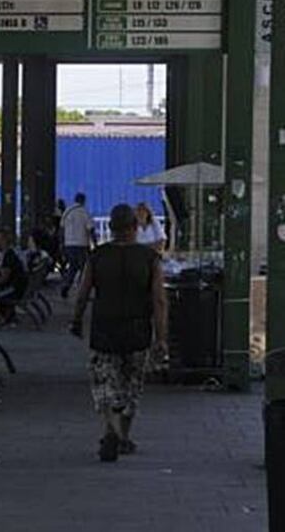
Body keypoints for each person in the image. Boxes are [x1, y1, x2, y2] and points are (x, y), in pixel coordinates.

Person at [70, 204, 168, 463]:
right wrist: (161, 338)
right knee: (131, 385)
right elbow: (159, 300)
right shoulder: (150, 258)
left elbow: (82, 294)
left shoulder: (98, 257)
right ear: (135, 227)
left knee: (105, 383)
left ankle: (112, 430)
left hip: (105, 329)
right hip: (138, 330)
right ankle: (122, 436)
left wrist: (76, 320)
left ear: (111, 228)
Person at [60, 192, 96, 298]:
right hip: (82, 245)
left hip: (69, 244)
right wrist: (95, 243)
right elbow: (91, 229)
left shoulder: (67, 212)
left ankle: (66, 285)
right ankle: (82, 289)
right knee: (84, 269)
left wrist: (62, 243)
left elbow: (61, 229)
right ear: (83, 201)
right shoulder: (84, 212)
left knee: (72, 267)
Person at [0, 227, 28, 322]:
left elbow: (4, 277)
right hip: (19, 286)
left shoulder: (8, 256)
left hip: (15, 289)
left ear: (3, 241)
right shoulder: (12, 253)